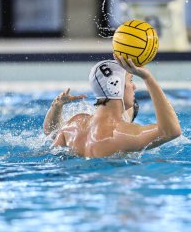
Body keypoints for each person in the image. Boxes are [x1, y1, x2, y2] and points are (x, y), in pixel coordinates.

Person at [44, 56, 181, 158]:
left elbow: (51, 133)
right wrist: (148, 78)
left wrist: (56, 107)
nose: (134, 86)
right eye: (131, 80)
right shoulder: (124, 134)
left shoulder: (75, 124)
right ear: (115, 86)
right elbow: (172, 131)